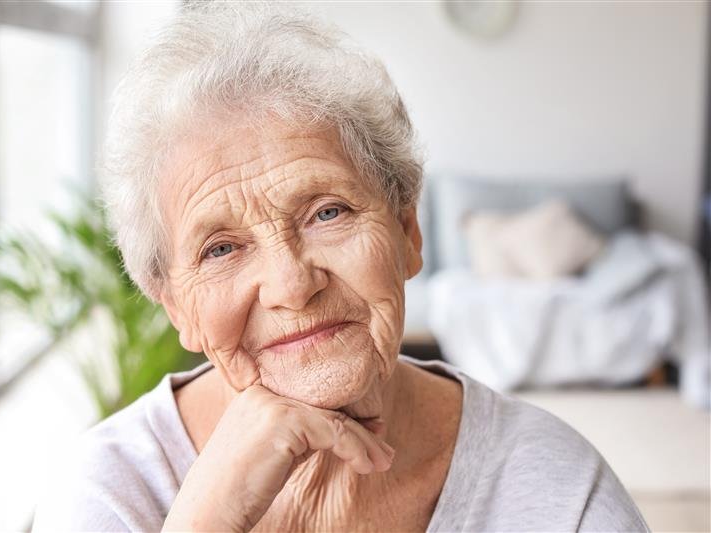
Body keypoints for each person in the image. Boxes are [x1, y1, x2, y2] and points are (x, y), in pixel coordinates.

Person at [32, 3, 649, 532]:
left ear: (408, 232)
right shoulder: (106, 492)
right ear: (175, 308)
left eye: (327, 212)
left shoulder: (559, 491)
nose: (292, 285)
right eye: (221, 248)